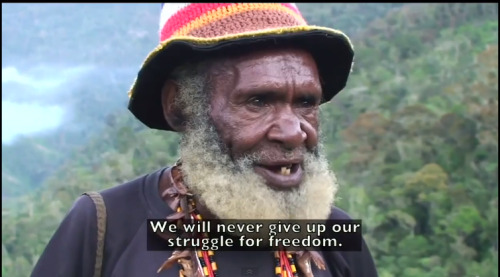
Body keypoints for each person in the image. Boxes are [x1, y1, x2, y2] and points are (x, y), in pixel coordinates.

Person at [31, 3, 378, 277]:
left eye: (306, 103)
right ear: (180, 106)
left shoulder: (337, 236)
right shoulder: (107, 225)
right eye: (257, 101)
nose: (293, 132)